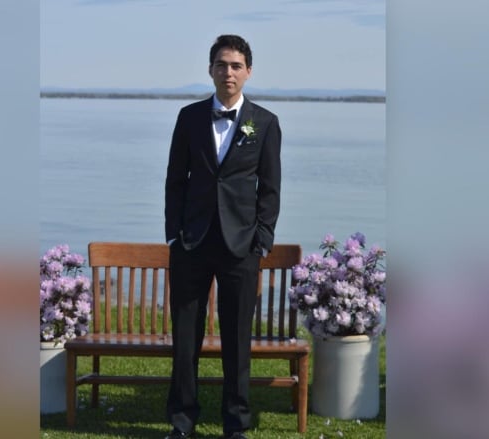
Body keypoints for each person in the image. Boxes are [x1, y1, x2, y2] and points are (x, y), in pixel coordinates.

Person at [163, 34, 282, 439]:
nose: (227, 72)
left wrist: (261, 238)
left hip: (241, 247)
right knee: (185, 339)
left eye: (235, 65)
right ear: (210, 69)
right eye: (220, 64)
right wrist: (173, 236)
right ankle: (182, 422)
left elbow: (270, 188)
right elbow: (175, 181)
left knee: (236, 340)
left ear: (248, 72)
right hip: (192, 243)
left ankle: (236, 425)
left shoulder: (264, 123)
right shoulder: (189, 117)